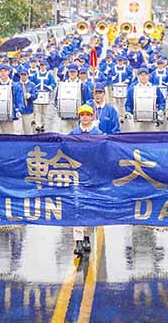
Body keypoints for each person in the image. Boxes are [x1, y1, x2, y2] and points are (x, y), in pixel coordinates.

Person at [69, 104, 103, 255]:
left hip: (93, 175)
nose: (85, 117)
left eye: (87, 114)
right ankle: (78, 240)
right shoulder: (73, 134)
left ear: (92, 117)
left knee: (90, 207)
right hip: (77, 175)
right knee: (77, 207)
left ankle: (87, 236)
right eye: (82, 115)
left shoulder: (99, 134)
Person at [125, 67, 166, 132]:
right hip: (137, 121)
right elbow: (128, 103)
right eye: (141, 75)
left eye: (145, 75)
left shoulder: (155, 88)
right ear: (138, 76)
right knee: (137, 138)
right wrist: (129, 112)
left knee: (151, 138)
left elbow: (161, 101)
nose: (143, 77)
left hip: (151, 120)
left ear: (148, 76)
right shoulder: (132, 89)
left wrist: (161, 110)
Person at [33, 60, 57, 133]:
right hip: (38, 94)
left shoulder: (49, 75)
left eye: (43, 65)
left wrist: (50, 87)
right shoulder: (35, 74)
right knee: (37, 110)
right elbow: (32, 83)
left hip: (46, 94)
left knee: (44, 110)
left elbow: (54, 83)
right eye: (41, 65)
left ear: (46, 66)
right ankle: (38, 125)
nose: (42, 67)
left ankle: (43, 124)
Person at [13, 67, 39, 135]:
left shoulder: (32, 85)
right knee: (18, 130)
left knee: (28, 130)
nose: (23, 76)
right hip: (18, 111)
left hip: (28, 110)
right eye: (22, 74)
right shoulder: (16, 85)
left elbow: (36, 95)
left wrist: (30, 96)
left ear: (27, 75)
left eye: (25, 74)